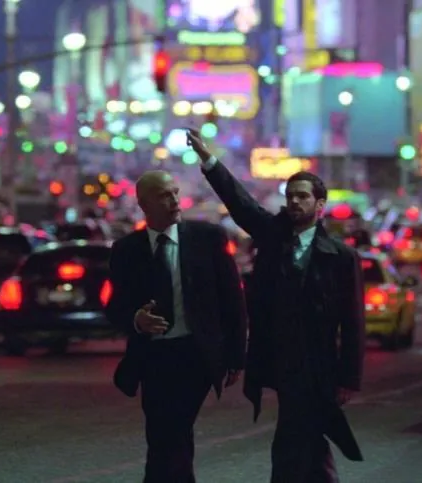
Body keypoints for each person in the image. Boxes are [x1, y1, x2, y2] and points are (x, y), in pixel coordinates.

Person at [187, 128, 366, 483]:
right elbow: (241, 204)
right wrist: (209, 162)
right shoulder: (273, 236)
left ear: (320, 205)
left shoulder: (341, 258)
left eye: (303, 196)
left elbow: (353, 322)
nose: (295, 202)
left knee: (299, 436)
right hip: (281, 358)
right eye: (290, 196)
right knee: (303, 434)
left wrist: (349, 377)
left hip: (320, 364)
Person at [105, 170, 247, 483]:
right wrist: (136, 319)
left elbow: (232, 299)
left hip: (195, 353)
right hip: (153, 356)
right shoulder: (127, 250)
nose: (173, 200)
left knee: (174, 427)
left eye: (175, 193)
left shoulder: (207, 238)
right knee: (163, 433)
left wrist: (236, 356)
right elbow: (115, 306)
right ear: (144, 204)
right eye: (163, 195)